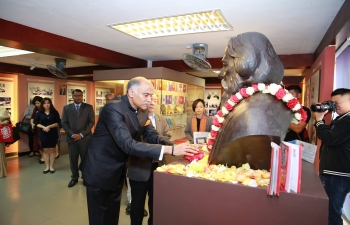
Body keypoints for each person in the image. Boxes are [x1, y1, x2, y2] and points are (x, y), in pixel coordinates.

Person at [81, 76, 199, 225]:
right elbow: (128, 144)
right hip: (99, 171)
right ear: (131, 92)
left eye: (151, 95)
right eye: (146, 95)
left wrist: (180, 147)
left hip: (117, 170)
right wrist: (171, 149)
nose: (149, 99)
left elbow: (152, 135)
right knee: (99, 218)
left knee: (112, 217)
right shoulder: (113, 108)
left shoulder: (142, 111)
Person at [127, 94, 172, 225]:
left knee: (156, 202)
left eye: (155, 100)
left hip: (158, 166)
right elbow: (132, 142)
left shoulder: (162, 119)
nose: (152, 102)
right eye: (150, 99)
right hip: (139, 167)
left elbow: (167, 137)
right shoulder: (135, 118)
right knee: (137, 206)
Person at [314, 88, 350, 225]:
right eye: (332, 102)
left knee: (330, 214)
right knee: (332, 212)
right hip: (337, 173)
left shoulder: (348, 120)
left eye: (337, 102)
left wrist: (319, 120)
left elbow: (330, 139)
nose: (334, 106)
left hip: (337, 174)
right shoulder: (342, 118)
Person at [61, 89, 95, 187]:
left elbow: (91, 122)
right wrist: (72, 134)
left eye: (80, 95)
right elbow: (64, 122)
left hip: (85, 139)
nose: (78, 97)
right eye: (76, 95)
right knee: (73, 159)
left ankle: (85, 177)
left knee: (85, 159)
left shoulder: (88, 107)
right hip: (72, 139)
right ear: (72, 97)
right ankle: (74, 178)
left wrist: (81, 134)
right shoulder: (67, 108)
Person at [34, 98, 61, 173]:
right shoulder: (39, 113)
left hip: (53, 133)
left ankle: (51, 166)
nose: (46, 105)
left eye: (48, 103)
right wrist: (44, 127)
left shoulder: (55, 112)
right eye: (45, 103)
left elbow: (58, 123)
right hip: (43, 133)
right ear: (42, 104)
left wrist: (49, 126)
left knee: (52, 150)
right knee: (45, 150)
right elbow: (36, 124)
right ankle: (47, 167)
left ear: (50, 104)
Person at [30, 96, 44, 164]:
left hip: (42, 128)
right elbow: (32, 117)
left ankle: (44, 157)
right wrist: (32, 123)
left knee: (42, 143)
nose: (37, 104)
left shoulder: (45, 109)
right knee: (37, 143)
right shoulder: (35, 109)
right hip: (36, 129)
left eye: (38, 103)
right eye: (35, 103)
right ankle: (43, 156)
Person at [0, 108, 10, 178]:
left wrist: (6, 122)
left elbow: (7, 120)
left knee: (0, 154)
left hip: (0, 134)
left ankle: (1, 171)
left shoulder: (2, 110)